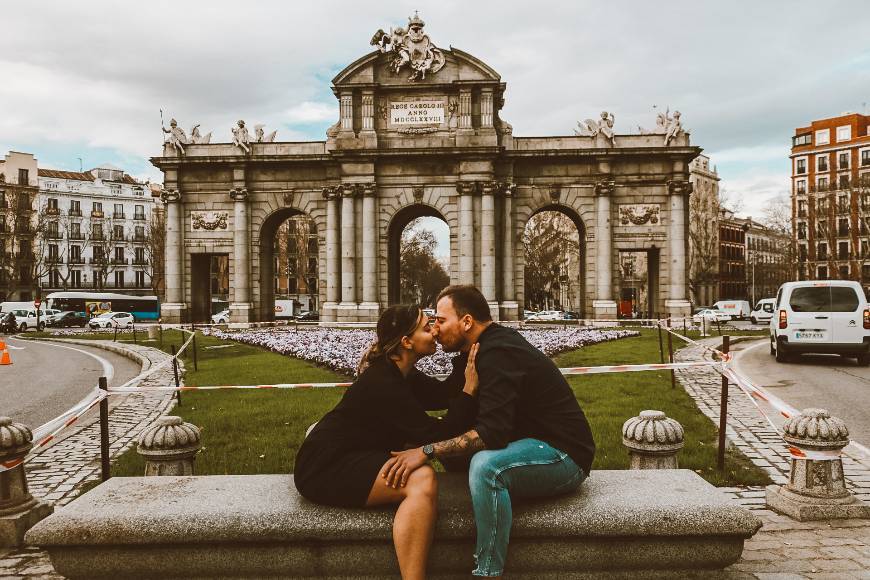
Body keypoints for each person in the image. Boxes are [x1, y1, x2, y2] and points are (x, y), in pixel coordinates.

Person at [382, 285, 596, 579]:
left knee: (485, 468)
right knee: (454, 445)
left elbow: (491, 433)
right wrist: (394, 360)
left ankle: (487, 573)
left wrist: (427, 451)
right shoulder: (477, 350)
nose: (435, 329)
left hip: (564, 454)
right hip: (526, 443)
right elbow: (442, 394)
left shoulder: (498, 352)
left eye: (441, 320)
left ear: (467, 322)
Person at [294, 303, 480, 580]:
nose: (434, 331)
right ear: (407, 342)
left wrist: (464, 350)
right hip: (324, 466)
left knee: (419, 470)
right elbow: (436, 436)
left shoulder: (399, 371)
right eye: (426, 328)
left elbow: (442, 394)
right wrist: (469, 391)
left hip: (347, 452)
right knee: (422, 479)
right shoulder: (384, 383)